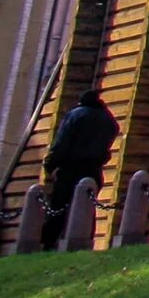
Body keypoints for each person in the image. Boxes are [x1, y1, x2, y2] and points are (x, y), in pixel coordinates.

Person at [40, 86, 117, 249]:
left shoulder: (75, 115)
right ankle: (85, 241)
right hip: (93, 169)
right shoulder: (108, 118)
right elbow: (111, 136)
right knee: (87, 207)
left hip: (70, 168)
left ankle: (49, 243)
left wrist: (50, 164)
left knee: (59, 207)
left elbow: (62, 142)